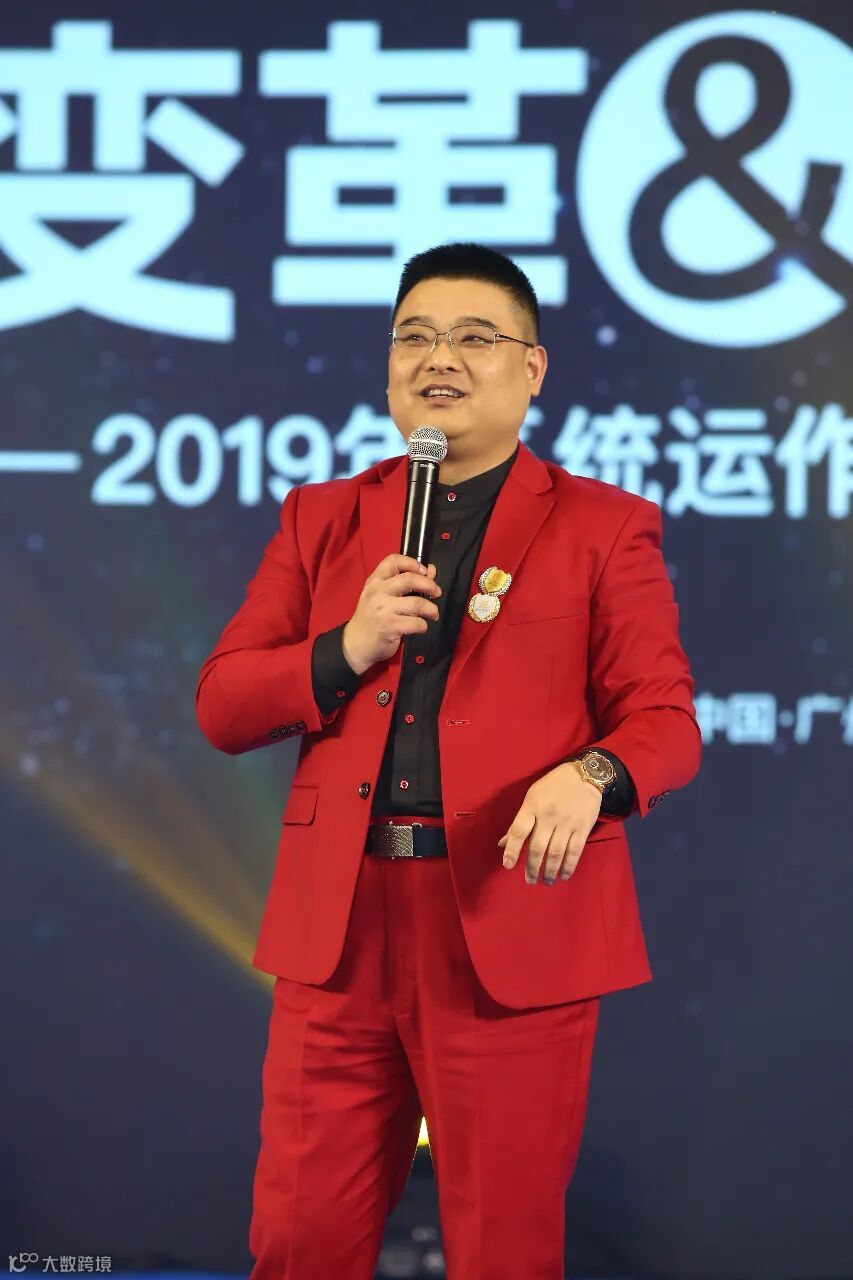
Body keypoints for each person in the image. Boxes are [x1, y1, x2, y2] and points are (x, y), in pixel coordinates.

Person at [195, 242, 701, 1279]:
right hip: (338, 924)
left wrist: (590, 776)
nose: (439, 358)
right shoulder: (323, 517)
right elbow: (225, 704)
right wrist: (346, 645)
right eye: (414, 337)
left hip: (504, 915)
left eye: (475, 337)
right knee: (296, 1237)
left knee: (501, 1244)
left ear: (532, 367)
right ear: (388, 367)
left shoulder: (602, 526)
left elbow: (664, 722)